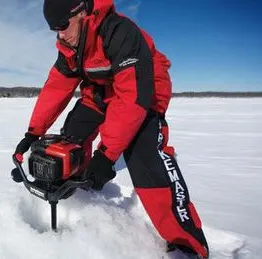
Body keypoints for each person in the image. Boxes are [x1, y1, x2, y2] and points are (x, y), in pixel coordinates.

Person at [13, 0, 209, 258]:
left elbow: (131, 98)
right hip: (102, 92)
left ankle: (187, 244)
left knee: (145, 158)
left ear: (81, 13)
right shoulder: (70, 46)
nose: (60, 34)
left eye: (63, 25)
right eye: (54, 29)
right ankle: (79, 184)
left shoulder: (119, 32)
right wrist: (33, 133)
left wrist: (106, 156)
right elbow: (56, 88)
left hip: (144, 95)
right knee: (72, 133)